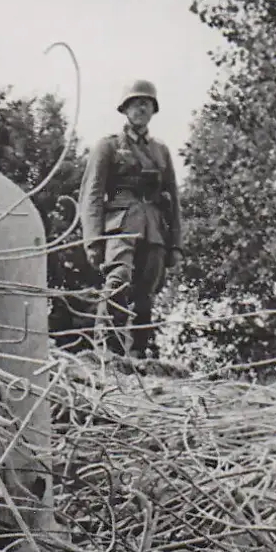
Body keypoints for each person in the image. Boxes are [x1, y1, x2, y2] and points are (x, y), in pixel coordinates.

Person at [78, 79, 182, 360]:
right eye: (136, 103)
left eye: (147, 104)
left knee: (146, 292)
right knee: (118, 280)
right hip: (119, 225)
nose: (141, 108)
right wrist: (93, 240)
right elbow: (92, 194)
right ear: (125, 109)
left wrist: (176, 245)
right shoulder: (108, 146)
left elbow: (173, 197)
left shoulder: (161, 150)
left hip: (155, 228)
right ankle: (108, 351)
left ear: (153, 110)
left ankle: (138, 353)